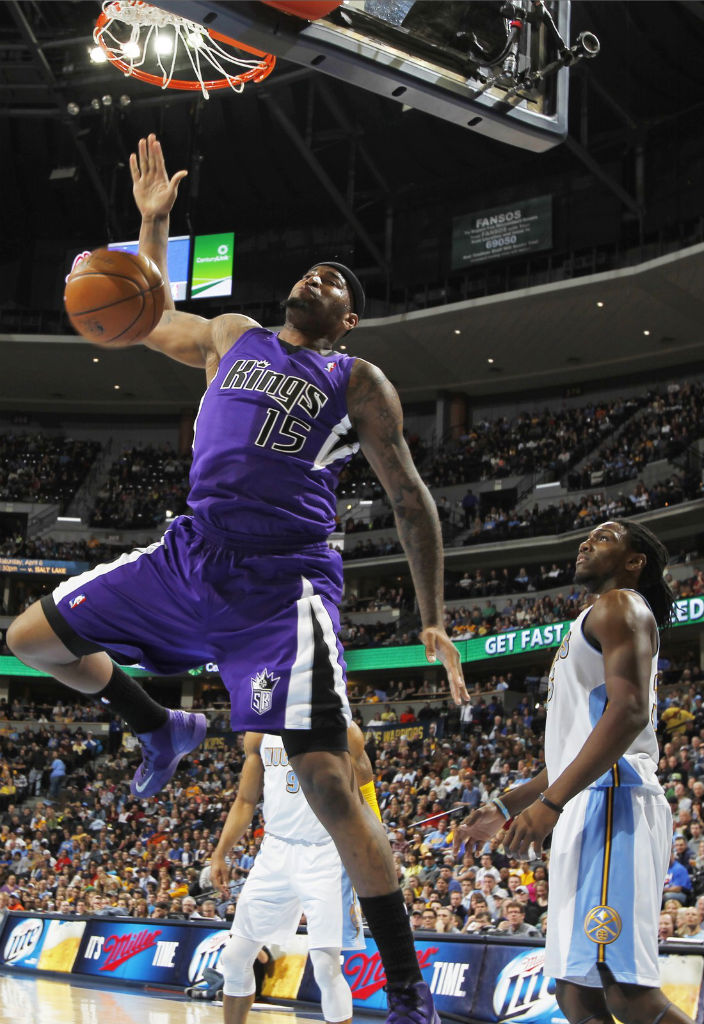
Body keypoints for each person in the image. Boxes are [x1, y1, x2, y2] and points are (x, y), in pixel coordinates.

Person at [7, 135, 467, 1024]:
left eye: (338, 280)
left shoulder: (354, 379)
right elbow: (145, 317)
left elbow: (411, 499)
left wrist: (433, 616)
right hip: (192, 557)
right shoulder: (233, 336)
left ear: (349, 318)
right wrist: (153, 225)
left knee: (329, 781)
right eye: (316, 271)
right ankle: (162, 725)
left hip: (281, 588)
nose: (319, 279)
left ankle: (406, 991)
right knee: (28, 641)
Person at [454, 521, 694, 1024]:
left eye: (604, 538)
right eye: (586, 537)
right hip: (586, 799)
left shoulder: (621, 606)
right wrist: (506, 805)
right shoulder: (591, 619)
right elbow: (571, 752)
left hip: (613, 800)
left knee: (625, 991)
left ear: (635, 562)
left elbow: (627, 714)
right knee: (574, 993)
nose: (586, 542)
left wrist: (550, 805)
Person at [210, 723, 375, 1024]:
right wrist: (220, 852)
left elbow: (366, 791)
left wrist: (374, 845)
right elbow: (246, 800)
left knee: (326, 966)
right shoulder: (258, 731)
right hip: (275, 850)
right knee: (234, 959)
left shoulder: (341, 726)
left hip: (327, 850)